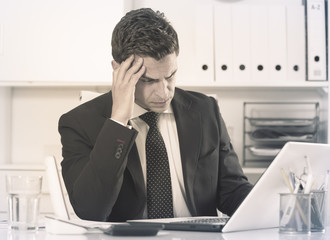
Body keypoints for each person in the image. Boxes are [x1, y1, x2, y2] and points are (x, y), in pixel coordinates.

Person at [58, 8, 253, 222]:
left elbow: (232, 192)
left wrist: (272, 205)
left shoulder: (205, 111)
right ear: (118, 70)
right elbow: (91, 210)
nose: (164, 92)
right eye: (148, 80)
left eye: (170, 76)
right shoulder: (78, 123)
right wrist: (119, 121)